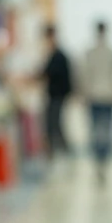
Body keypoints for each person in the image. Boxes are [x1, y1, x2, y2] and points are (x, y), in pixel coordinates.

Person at [81, 20, 112, 184]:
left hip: (94, 97)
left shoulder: (90, 53)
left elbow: (84, 76)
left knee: (95, 131)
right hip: (108, 97)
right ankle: (103, 163)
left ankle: (99, 163)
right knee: (107, 131)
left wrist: (84, 94)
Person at [39, 25, 73, 159]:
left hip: (57, 97)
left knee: (55, 127)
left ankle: (62, 156)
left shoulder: (58, 56)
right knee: (52, 126)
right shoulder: (54, 55)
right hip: (55, 96)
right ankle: (57, 156)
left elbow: (46, 74)